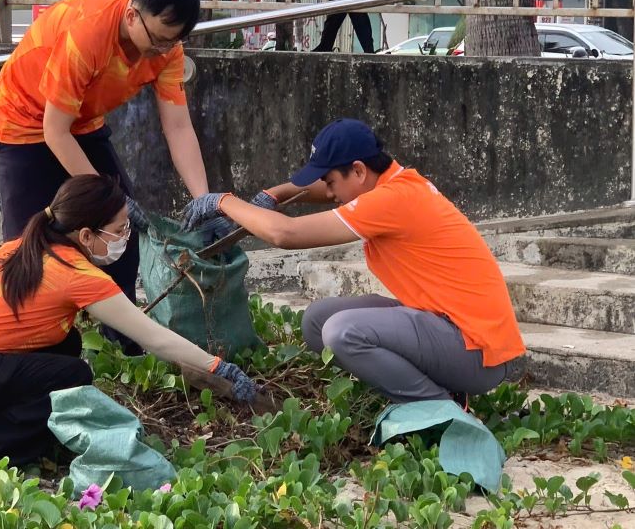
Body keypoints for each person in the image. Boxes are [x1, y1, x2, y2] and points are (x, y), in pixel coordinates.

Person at [0, 175, 258, 473]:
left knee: (65, 345)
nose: (126, 237)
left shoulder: (23, 246)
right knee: (72, 377)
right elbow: (154, 338)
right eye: (120, 230)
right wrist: (218, 367)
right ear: (87, 235)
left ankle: (8, 429)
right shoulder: (76, 273)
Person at [182, 118, 525, 406]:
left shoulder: (391, 201)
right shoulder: (394, 182)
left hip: (478, 353)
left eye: (331, 181)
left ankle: (440, 409)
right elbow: (324, 191)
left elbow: (286, 235)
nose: (329, 193)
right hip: (450, 329)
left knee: (342, 331)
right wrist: (276, 194)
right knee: (318, 321)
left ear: (358, 171)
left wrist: (220, 201)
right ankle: (425, 389)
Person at [0, 0, 213, 353]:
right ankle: (21, 345)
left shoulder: (167, 51)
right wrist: (112, 201)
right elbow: (54, 131)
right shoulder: (89, 33)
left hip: (82, 122)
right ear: (132, 15)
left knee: (120, 234)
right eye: (158, 38)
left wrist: (204, 200)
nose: (162, 51)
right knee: (27, 242)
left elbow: (177, 126)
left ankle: (121, 343)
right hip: (24, 122)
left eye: (173, 41)